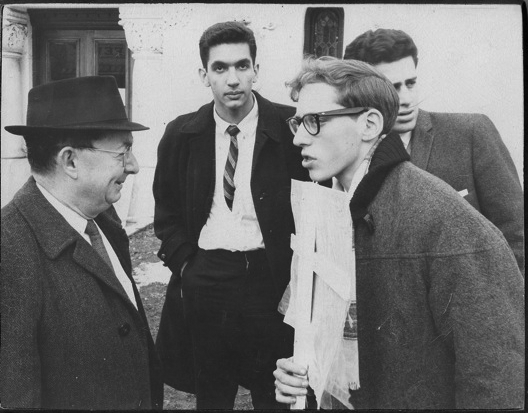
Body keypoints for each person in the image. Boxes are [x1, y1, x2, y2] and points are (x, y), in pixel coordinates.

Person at [273, 57, 524, 409]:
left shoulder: (445, 222)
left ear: (370, 123)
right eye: (297, 122)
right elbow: (330, 347)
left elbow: (495, 382)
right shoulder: (326, 210)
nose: (298, 138)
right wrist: (301, 374)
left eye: (314, 121)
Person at [153, 21, 310, 409]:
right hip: (207, 277)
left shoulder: (291, 129)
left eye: (242, 66)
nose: (233, 79)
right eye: (220, 68)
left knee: (275, 392)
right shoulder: (182, 133)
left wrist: (297, 275)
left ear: (257, 69)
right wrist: (188, 266)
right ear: (204, 74)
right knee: (213, 393)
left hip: (271, 279)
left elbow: (315, 205)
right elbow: (166, 210)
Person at [1, 76, 163, 409]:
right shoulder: (9, 248)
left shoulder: (103, 217)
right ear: (70, 161)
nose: (132, 166)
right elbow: (17, 398)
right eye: (123, 152)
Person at [344, 28, 524, 275]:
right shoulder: (350, 155)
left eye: (411, 83)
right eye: (393, 88)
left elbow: (517, 234)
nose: (406, 99)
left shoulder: (470, 133)